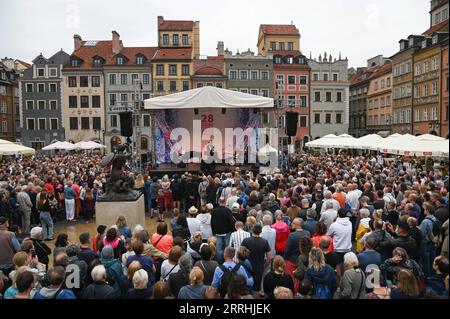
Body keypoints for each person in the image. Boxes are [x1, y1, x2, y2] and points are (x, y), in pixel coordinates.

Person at [241, 223, 272, 295]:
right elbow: (269, 257)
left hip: (246, 268)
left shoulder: (245, 241)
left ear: (252, 230)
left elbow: (240, 253)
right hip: (259, 268)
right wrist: (264, 266)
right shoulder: (264, 241)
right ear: (261, 232)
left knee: (245, 289)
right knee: (256, 290)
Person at [211, 198, 235, 264]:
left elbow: (212, 222)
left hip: (218, 232)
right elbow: (232, 222)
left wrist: (213, 232)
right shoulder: (228, 211)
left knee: (218, 249)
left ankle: (219, 263)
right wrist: (231, 230)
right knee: (227, 248)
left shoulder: (214, 211)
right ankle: (227, 261)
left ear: (219, 202)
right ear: (224, 202)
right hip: (227, 232)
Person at [419, 203, 439, 278]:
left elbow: (422, 234)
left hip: (425, 244)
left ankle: (427, 278)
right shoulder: (435, 219)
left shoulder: (425, 221)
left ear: (427, 210)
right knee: (432, 260)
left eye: (424, 209)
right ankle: (433, 275)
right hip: (433, 242)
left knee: (425, 262)